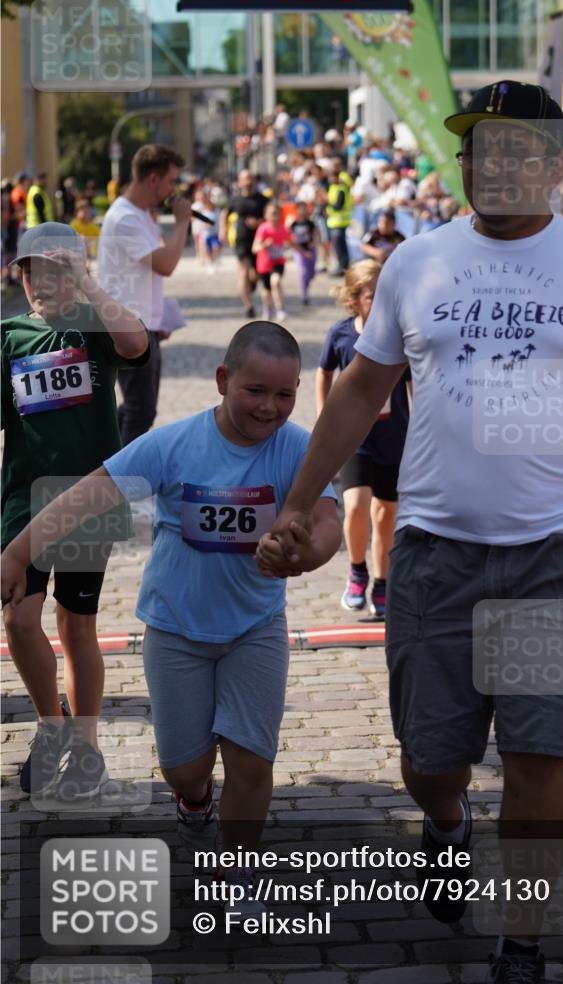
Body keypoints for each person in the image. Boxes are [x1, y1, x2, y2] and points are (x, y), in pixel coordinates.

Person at [267, 81, 563, 984]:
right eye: (484, 148)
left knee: (535, 751)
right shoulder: (417, 262)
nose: (501, 164)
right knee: (431, 757)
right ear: (465, 163)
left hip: (554, 554)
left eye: (522, 150)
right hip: (436, 553)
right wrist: (299, 501)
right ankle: (444, 826)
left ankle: (517, 943)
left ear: (556, 167)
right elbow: (362, 391)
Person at [1, 322, 340, 915]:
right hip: (176, 631)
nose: (270, 407)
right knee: (183, 768)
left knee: (252, 761)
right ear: (222, 380)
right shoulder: (173, 444)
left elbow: (329, 521)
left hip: (255, 630)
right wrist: (16, 552)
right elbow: (87, 497)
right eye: (255, 391)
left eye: (284, 395)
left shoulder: (297, 448)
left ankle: (237, 883)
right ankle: (194, 800)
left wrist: (305, 557)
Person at [1, 222, 149, 800]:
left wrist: (89, 284)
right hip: (23, 501)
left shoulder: (96, 328)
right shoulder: (10, 335)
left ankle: (86, 750)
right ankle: (51, 724)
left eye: (57, 270)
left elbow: (137, 345)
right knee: (17, 617)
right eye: (32, 270)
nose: (43, 282)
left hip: (89, 496)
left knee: (75, 624)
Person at [317, 260, 410, 618]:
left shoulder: (399, 334)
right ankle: (357, 571)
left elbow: (413, 382)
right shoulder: (341, 334)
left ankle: (382, 583)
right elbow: (323, 374)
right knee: (355, 505)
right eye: (373, 296)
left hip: (394, 435)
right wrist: (327, 417)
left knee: (385, 513)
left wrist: (420, 427)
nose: (380, 303)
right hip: (354, 436)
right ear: (355, 299)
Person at [97, 143, 189, 446]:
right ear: (153, 179)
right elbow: (165, 264)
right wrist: (182, 223)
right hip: (126, 325)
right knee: (141, 409)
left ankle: (107, 459)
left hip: (143, 323)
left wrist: (159, 316)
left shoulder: (141, 215)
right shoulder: (125, 217)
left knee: (141, 409)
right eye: (170, 181)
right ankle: (115, 479)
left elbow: (147, 272)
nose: (172, 189)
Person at [219, 171, 268, 319]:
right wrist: (222, 230)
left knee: (256, 275)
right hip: (241, 240)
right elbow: (224, 213)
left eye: (250, 178)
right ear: (239, 182)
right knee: (243, 272)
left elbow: (270, 217)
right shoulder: (235, 199)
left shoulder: (262, 199)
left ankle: (251, 286)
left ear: (254, 180)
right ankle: (249, 306)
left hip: (259, 242)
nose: (247, 182)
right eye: (244, 179)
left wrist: (259, 223)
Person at [252, 201, 290, 323]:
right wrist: (264, 244)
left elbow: (292, 243)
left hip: (278, 262)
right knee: (266, 291)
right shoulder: (263, 229)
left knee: (276, 281)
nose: (275, 217)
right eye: (272, 214)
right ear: (266, 216)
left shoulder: (283, 229)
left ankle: (280, 309)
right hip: (264, 265)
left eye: (277, 214)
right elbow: (254, 248)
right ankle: (267, 309)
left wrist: (304, 252)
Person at [287, 200, 319, 306]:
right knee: (303, 273)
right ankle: (305, 294)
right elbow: (289, 237)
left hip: (311, 250)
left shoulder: (311, 223)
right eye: (300, 209)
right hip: (299, 251)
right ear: (296, 211)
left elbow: (316, 235)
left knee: (311, 274)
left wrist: (314, 243)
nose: (302, 211)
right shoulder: (294, 224)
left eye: (304, 209)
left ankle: (307, 283)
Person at [326, 159, 353, 276]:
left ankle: (344, 267)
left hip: (340, 221)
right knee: (338, 247)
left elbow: (337, 205)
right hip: (333, 222)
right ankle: (341, 266)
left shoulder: (342, 185)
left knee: (341, 247)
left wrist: (327, 205)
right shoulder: (332, 187)